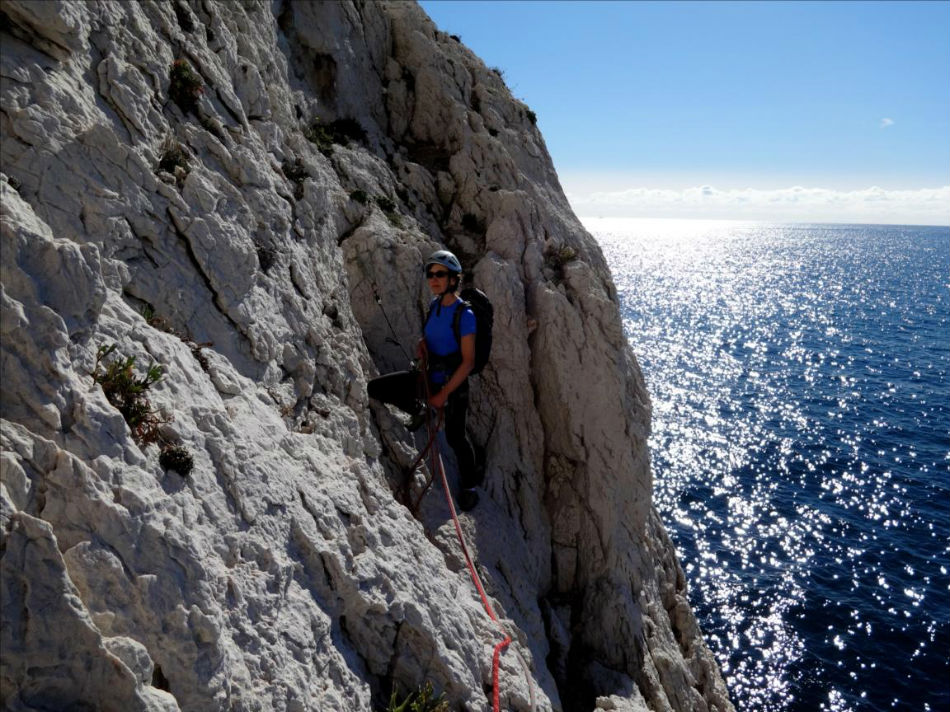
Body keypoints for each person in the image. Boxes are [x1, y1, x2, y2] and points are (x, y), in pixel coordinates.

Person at [368, 250, 482, 511]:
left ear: (453, 279)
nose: (434, 279)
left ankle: (469, 486)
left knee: (455, 437)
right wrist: (423, 345)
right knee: (376, 388)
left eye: (440, 274)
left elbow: (468, 362)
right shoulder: (434, 307)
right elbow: (434, 337)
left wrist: (443, 396)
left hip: (453, 385)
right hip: (429, 376)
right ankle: (421, 411)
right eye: (430, 274)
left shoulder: (465, 315)